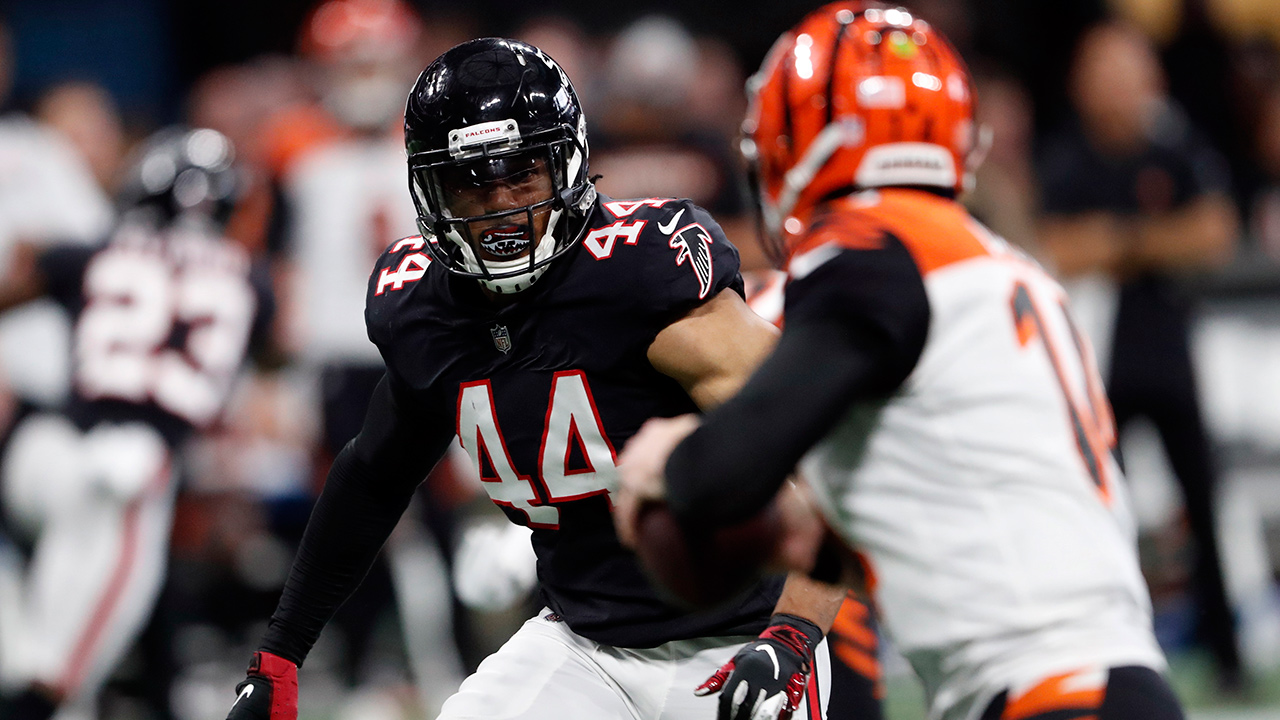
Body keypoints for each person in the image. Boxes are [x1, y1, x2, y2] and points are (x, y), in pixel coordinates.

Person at [224, 38, 849, 720]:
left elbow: (826, 452)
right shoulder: (422, 311)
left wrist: (790, 635)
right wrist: (283, 653)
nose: (500, 208)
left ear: (569, 164)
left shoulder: (641, 276)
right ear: (428, 189)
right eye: (472, 181)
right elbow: (373, 477)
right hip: (582, 642)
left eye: (522, 174)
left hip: (736, 636)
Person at [613, 4, 1185, 720]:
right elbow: (960, 518)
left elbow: (721, 479)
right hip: (1103, 685)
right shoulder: (999, 266)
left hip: (1050, 697)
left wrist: (668, 464)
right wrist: (814, 542)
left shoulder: (871, 255)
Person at [0, 127, 273, 720]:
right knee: (63, 671)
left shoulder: (92, 252)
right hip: (127, 467)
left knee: (60, 609)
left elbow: (21, 278)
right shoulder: (251, 281)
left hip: (44, 446)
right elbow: (269, 355)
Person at [1037, 21, 1241, 688]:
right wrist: (1152, 240)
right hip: (1099, 366)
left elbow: (1213, 230)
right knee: (1103, 515)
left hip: (1169, 355)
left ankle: (1225, 654)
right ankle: (1116, 652)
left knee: (1202, 509)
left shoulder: (1173, 148)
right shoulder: (1068, 157)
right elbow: (1058, 247)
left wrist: (1121, 241)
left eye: (1128, 70)